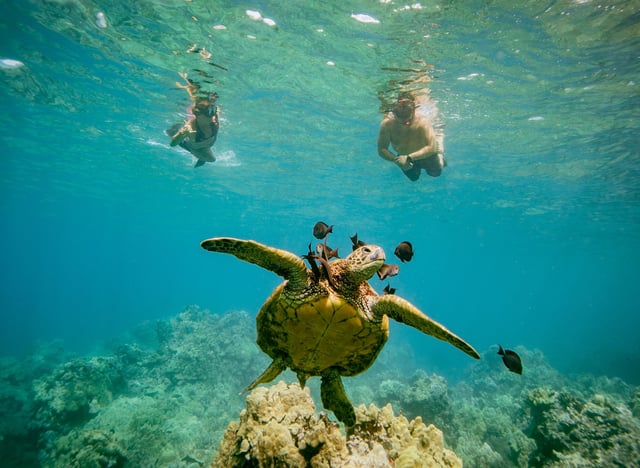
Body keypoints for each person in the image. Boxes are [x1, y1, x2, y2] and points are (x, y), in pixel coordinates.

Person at [377, 93, 445, 181]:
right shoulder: (387, 124)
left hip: (426, 155)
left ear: (413, 111)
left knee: (436, 173)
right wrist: (396, 159)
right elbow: (382, 149)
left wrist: (409, 157)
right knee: (413, 177)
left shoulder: (423, 122)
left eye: (407, 121)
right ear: (394, 112)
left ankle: (439, 148)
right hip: (403, 157)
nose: (403, 123)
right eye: (399, 120)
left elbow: (431, 148)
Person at [167, 73, 220, 167]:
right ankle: (190, 148)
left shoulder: (212, 113)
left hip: (206, 145)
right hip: (197, 146)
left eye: (211, 109)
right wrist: (182, 132)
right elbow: (172, 144)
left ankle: (199, 155)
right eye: (205, 109)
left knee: (211, 159)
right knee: (211, 159)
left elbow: (209, 106)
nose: (210, 111)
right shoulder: (191, 127)